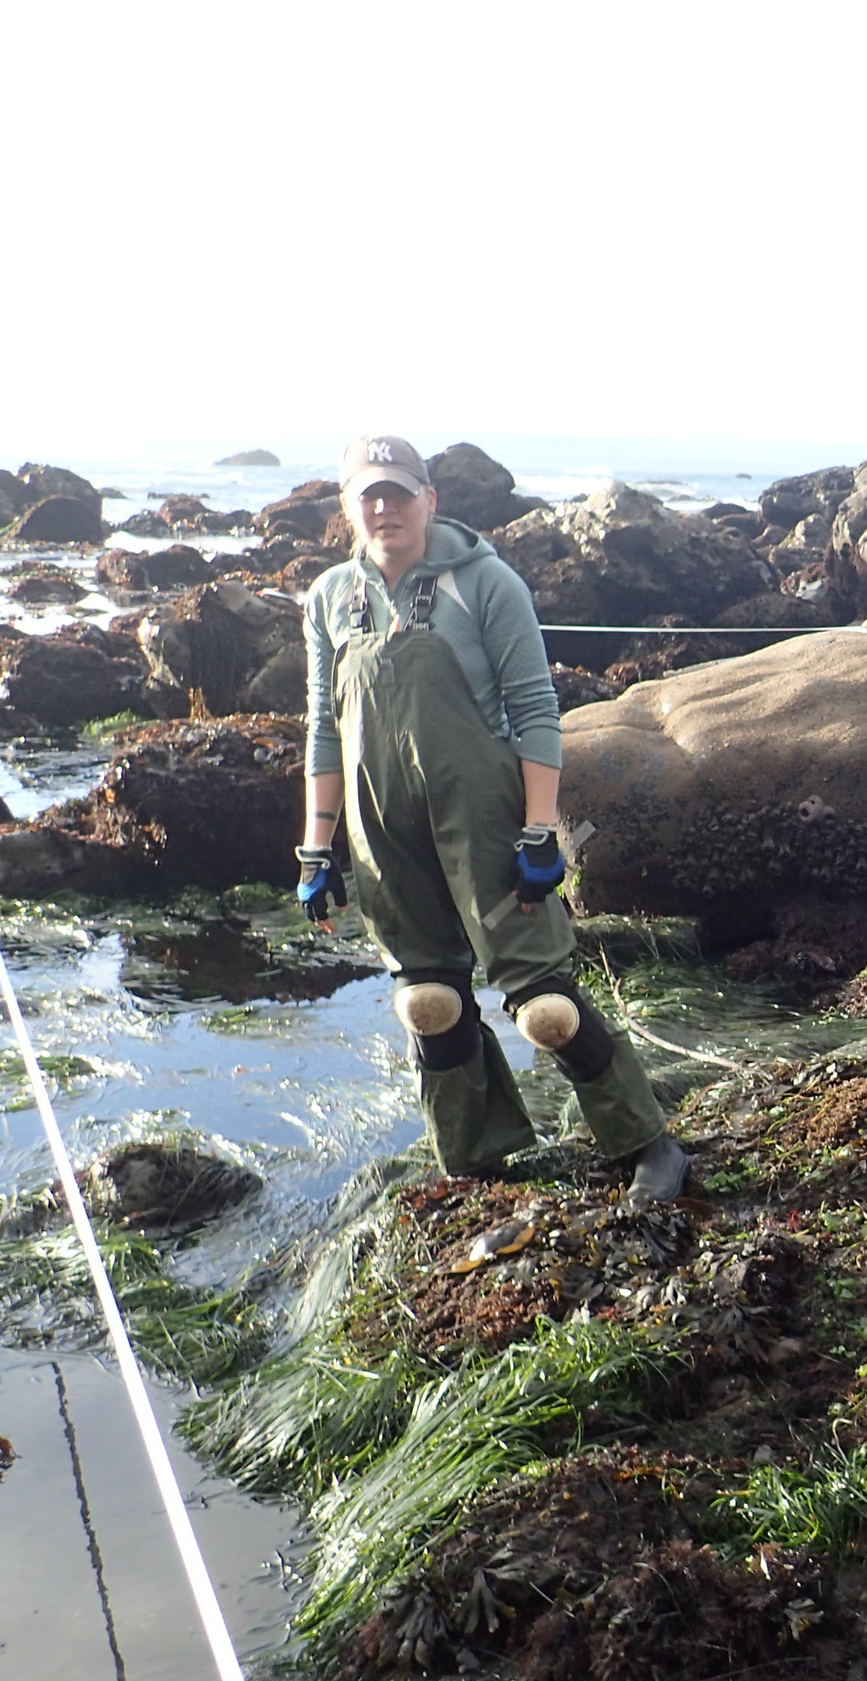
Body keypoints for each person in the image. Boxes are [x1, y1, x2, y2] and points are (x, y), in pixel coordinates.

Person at [294, 435, 689, 1201]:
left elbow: (537, 710)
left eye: (399, 492)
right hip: (383, 831)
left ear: (429, 500)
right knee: (429, 1001)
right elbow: (322, 728)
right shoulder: (328, 599)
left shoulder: (487, 583)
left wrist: (541, 828)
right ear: (349, 507)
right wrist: (316, 848)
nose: (384, 507)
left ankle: (649, 1144)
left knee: (545, 1008)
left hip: (486, 818)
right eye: (368, 495)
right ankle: (477, 1159)